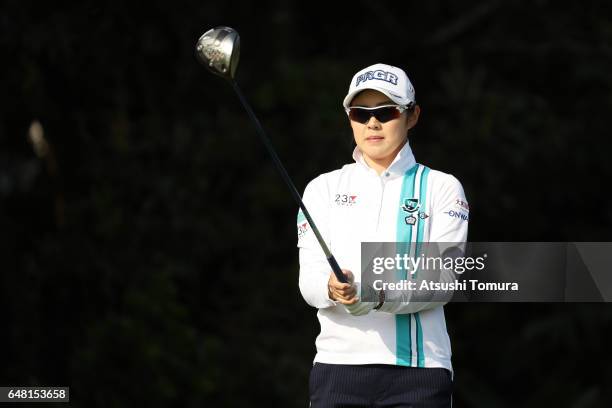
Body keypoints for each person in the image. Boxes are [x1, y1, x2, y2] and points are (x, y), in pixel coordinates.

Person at [296, 63, 469, 407]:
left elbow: (443, 281)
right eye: (360, 113)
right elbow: (309, 280)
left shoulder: (441, 187)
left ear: (412, 115)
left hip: (419, 372)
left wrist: (373, 294)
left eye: (386, 111)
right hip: (337, 369)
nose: (372, 123)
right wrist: (331, 288)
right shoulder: (322, 189)